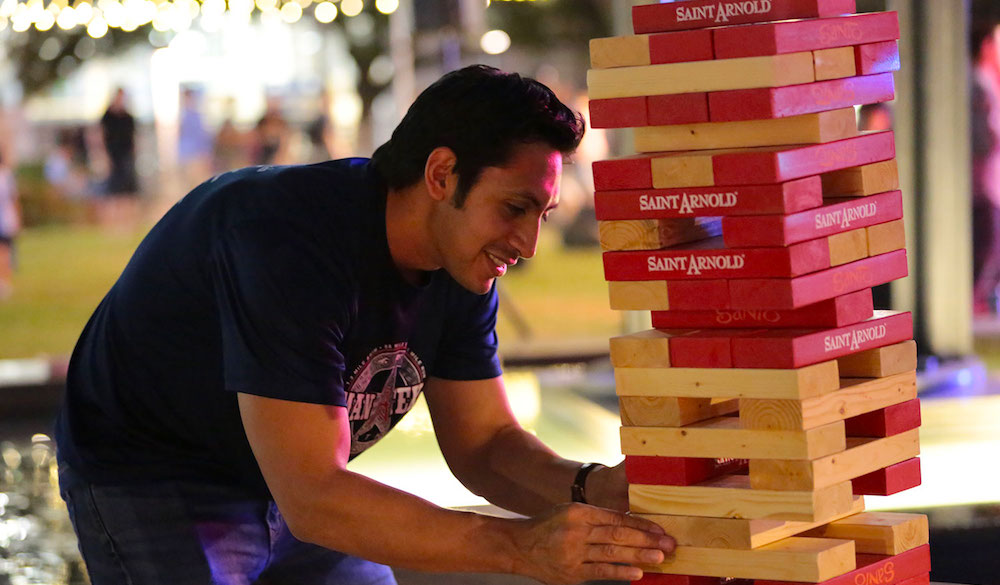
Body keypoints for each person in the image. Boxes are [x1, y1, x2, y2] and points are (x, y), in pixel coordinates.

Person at [54, 65, 676, 585]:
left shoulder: (462, 261)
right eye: (515, 208)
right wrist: (522, 548)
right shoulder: (289, 238)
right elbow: (317, 497)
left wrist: (595, 492)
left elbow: (485, 446)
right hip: (154, 473)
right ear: (440, 175)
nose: (530, 243)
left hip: (295, 487)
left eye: (542, 213)